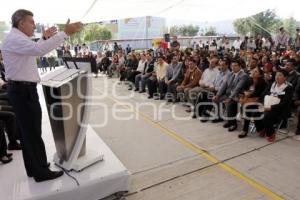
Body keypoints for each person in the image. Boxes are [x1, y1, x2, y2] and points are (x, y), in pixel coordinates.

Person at [1, 9, 82, 182]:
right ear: (21, 23)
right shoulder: (15, 38)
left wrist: (45, 38)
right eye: (31, 22)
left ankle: (33, 168)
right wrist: (64, 33)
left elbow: (34, 48)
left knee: (28, 133)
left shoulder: (17, 38)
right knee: (32, 133)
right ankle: (41, 171)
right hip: (23, 91)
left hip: (21, 90)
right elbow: (38, 50)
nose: (34, 25)